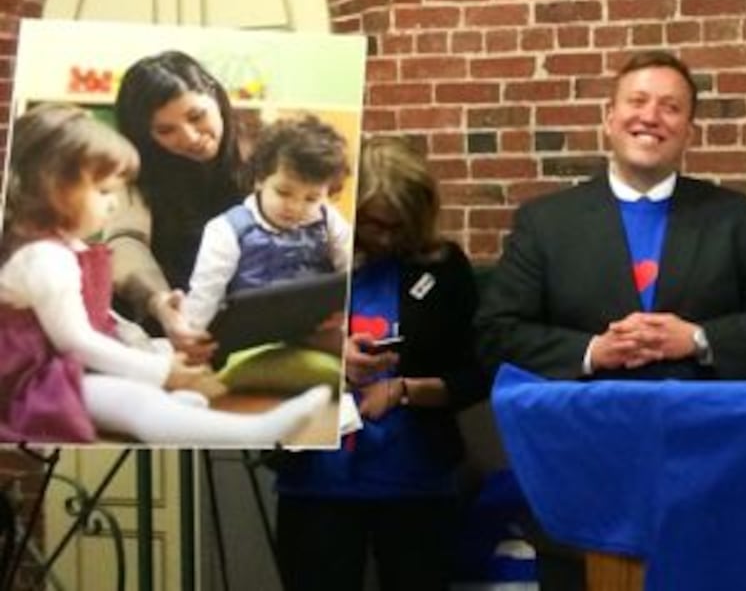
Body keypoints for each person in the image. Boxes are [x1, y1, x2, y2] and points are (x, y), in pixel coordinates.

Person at [476, 50, 746, 590]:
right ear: (608, 118)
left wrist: (697, 339)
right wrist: (592, 353)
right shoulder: (545, 223)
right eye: (637, 101)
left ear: (688, 131)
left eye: (670, 107)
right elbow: (496, 332)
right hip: (582, 478)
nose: (650, 116)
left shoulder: (738, 221)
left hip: (705, 479)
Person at [0, 104, 330, 445]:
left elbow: (101, 318)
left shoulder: (65, 248)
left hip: (64, 367)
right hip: (32, 384)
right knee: (135, 402)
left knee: (155, 355)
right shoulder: (45, 258)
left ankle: (175, 410)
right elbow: (77, 341)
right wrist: (161, 372)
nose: (113, 205)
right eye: (103, 192)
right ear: (52, 188)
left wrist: (154, 352)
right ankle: (252, 433)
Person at [273, 136, 488, 591]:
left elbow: (475, 375)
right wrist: (334, 354)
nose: (387, 238)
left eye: (399, 226)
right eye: (374, 224)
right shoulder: (303, 261)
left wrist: (401, 390)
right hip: (315, 484)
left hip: (416, 483)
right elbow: (253, 353)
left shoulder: (444, 268)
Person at [106, 50, 247, 361]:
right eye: (165, 131)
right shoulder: (137, 174)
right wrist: (159, 301)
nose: (190, 137)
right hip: (163, 332)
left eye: (197, 116)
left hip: (245, 323)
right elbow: (125, 241)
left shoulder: (262, 160)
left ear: (214, 94)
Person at [182, 113, 353, 332]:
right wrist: (191, 340)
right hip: (254, 333)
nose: (295, 207)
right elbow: (205, 296)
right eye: (283, 192)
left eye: (311, 198)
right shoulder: (227, 229)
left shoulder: (328, 219)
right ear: (260, 178)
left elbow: (352, 272)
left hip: (317, 324)